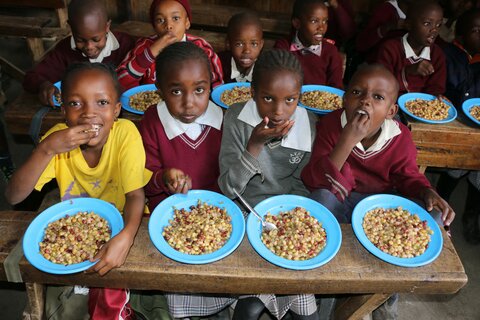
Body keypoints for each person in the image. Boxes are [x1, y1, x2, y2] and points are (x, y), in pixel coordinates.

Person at [301, 64, 455, 320]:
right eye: (357, 92)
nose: (365, 101)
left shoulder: (400, 137)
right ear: (344, 98)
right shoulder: (330, 125)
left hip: (380, 211)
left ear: (391, 111)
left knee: (434, 219)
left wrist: (426, 190)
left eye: (378, 97)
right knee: (320, 199)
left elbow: (408, 176)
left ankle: (386, 293)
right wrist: (347, 140)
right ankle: (324, 286)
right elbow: (313, 179)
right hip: (342, 201)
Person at [6, 62, 151, 319]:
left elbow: (135, 195)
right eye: (75, 103)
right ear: (63, 111)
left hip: (127, 223)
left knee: (110, 296)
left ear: (117, 109)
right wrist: (46, 149)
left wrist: (127, 237)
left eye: (102, 103)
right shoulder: (56, 140)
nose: (88, 113)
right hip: (75, 233)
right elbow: (14, 195)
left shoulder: (125, 134)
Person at [219, 49, 319, 320]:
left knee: (307, 313)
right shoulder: (236, 119)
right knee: (249, 308)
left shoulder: (308, 124)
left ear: (300, 96)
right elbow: (228, 188)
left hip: (286, 216)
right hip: (243, 210)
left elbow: (301, 185)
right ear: (252, 92)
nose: (278, 110)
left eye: (290, 100)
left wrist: (290, 219)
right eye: (267, 98)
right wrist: (254, 145)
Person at [138, 41, 235, 319]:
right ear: (160, 91)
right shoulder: (152, 123)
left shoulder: (225, 121)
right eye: (176, 91)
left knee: (224, 268)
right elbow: (144, 178)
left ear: (212, 88)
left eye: (200, 90)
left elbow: (230, 176)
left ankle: (223, 304)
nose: (189, 102)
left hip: (217, 214)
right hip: (168, 215)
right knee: (177, 272)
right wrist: (163, 178)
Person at [23, 0, 134, 107]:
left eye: (96, 40)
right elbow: (31, 77)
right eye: (80, 40)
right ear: (71, 27)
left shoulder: (126, 45)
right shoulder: (64, 50)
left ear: (107, 26)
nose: (89, 47)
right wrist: (43, 85)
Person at [438, 8, 480, 244]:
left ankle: (471, 215)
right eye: (476, 31)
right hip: (452, 125)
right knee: (455, 168)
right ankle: (441, 204)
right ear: (461, 35)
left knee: (478, 171)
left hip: (477, 129)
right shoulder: (448, 55)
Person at [117, 0, 223, 91]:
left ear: (187, 22)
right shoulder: (144, 47)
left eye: (175, 18)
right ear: (154, 26)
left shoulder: (201, 48)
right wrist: (150, 53)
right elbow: (119, 81)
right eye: (160, 20)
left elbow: (216, 87)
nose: (168, 26)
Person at [375, 0, 447, 95]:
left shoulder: (437, 54)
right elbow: (381, 84)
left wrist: (435, 97)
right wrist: (408, 71)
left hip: (420, 107)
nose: (434, 30)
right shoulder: (390, 48)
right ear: (408, 24)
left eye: (438, 25)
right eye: (427, 23)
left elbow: (436, 87)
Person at [274, 0, 343, 88]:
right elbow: (276, 81)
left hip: (320, 100)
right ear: (297, 23)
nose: (321, 27)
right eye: (314, 21)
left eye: (325, 21)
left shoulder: (331, 52)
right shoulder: (283, 47)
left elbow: (336, 89)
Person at [218, 12, 264, 84]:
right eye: (239, 44)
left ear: (261, 45)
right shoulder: (218, 65)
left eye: (254, 44)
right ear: (228, 44)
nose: (247, 50)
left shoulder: (265, 69)